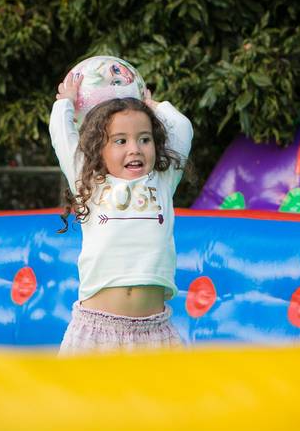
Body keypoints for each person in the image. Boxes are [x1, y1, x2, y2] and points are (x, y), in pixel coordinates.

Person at [49, 71, 193, 355]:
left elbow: (182, 128)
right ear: (97, 149)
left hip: (154, 332)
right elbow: (61, 136)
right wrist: (65, 103)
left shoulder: (162, 181)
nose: (134, 149)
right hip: (96, 331)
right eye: (120, 141)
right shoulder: (88, 181)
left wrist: (153, 106)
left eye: (144, 139)